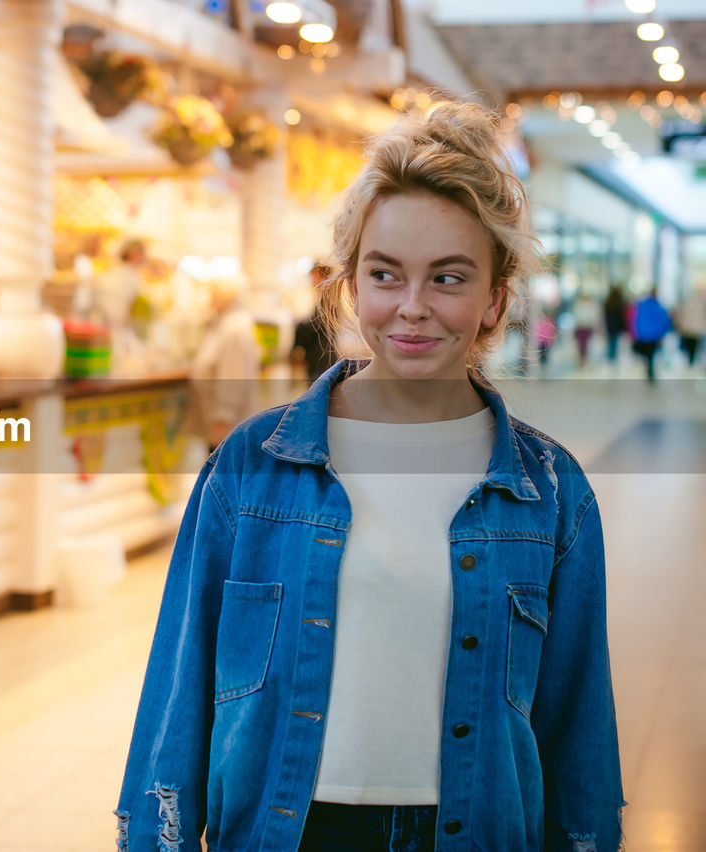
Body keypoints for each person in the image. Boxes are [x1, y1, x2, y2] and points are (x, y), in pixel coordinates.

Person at [116, 102, 622, 852]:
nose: (412, 310)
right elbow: (178, 689)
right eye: (386, 275)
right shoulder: (253, 467)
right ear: (351, 283)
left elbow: (576, 725)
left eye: (448, 278)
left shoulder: (548, 491)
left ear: (495, 299)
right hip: (288, 833)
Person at [187, 274, 261, 451]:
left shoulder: (234, 328)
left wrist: (223, 415)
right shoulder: (223, 324)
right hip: (219, 418)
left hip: (227, 422)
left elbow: (233, 374)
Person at [290, 262, 338, 382]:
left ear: (322, 276)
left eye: (313, 277)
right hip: (321, 355)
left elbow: (314, 325)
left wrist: (298, 325)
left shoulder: (328, 299)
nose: (311, 281)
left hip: (322, 355)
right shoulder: (325, 297)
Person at [630, 289, 672, 383]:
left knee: (646, 353)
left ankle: (649, 369)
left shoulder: (641, 305)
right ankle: (650, 370)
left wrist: (635, 333)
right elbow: (663, 321)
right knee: (651, 354)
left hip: (643, 335)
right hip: (654, 335)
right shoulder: (658, 306)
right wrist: (662, 333)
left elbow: (634, 320)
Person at [673, 284, 704, 369]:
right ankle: (691, 360)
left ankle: (690, 360)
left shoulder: (686, 303)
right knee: (693, 345)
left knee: (689, 345)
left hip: (688, 328)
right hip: (695, 329)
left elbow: (680, 315)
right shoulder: (699, 303)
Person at [571, 291, 601, 368]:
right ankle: (581, 359)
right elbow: (575, 316)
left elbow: (595, 317)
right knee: (580, 345)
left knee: (586, 345)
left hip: (588, 327)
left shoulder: (592, 306)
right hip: (580, 327)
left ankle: (584, 359)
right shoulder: (578, 305)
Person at [603, 285, 626, 364]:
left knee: (611, 340)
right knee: (614, 340)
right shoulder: (619, 302)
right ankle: (613, 355)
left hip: (609, 325)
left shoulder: (607, 302)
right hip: (616, 325)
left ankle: (611, 355)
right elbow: (621, 316)